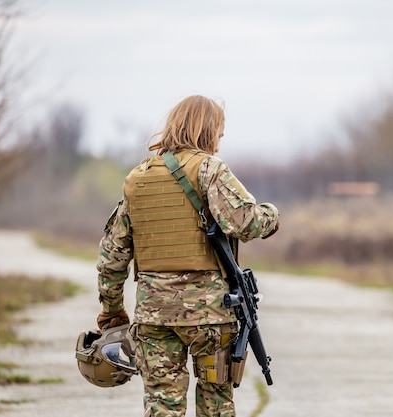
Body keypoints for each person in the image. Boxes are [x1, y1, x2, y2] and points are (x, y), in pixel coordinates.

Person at [95, 95, 279, 417]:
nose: (219, 145)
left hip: (155, 319)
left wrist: (112, 312)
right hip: (210, 318)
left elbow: (112, 257)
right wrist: (271, 215)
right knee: (216, 407)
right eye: (218, 135)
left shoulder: (137, 179)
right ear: (206, 131)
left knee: (162, 407)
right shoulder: (210, 170)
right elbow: (245, 223)